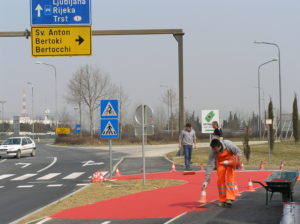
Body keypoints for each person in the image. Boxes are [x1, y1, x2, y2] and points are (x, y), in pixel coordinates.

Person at [202, 139, 242, 207]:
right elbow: (210, 165)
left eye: (215, 149)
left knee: (230, 179)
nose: (214, 151)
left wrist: (234, 162)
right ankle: (222, 199)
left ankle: (230, 198)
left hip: (230, 161)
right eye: (213, 149)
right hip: (220, 163)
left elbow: (239, 152)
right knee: (220, 180)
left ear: (219, 146)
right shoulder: (213, 151)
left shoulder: (229, 145)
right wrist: (206, 181)